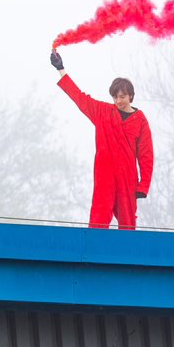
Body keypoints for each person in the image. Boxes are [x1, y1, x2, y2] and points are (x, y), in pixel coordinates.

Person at [50, 48, 154, 230]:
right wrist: (60, 68)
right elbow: (79, 97)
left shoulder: (140, 120)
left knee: (128, 224)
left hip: (127, 177)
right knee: (98, 219)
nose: (118, 100)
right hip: (104, 174)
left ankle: (126, 257)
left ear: (130, 95)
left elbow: (146, 155)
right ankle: (93, 254)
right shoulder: (103, 112)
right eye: (115, 97)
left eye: (122, 96)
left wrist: (143, 185)